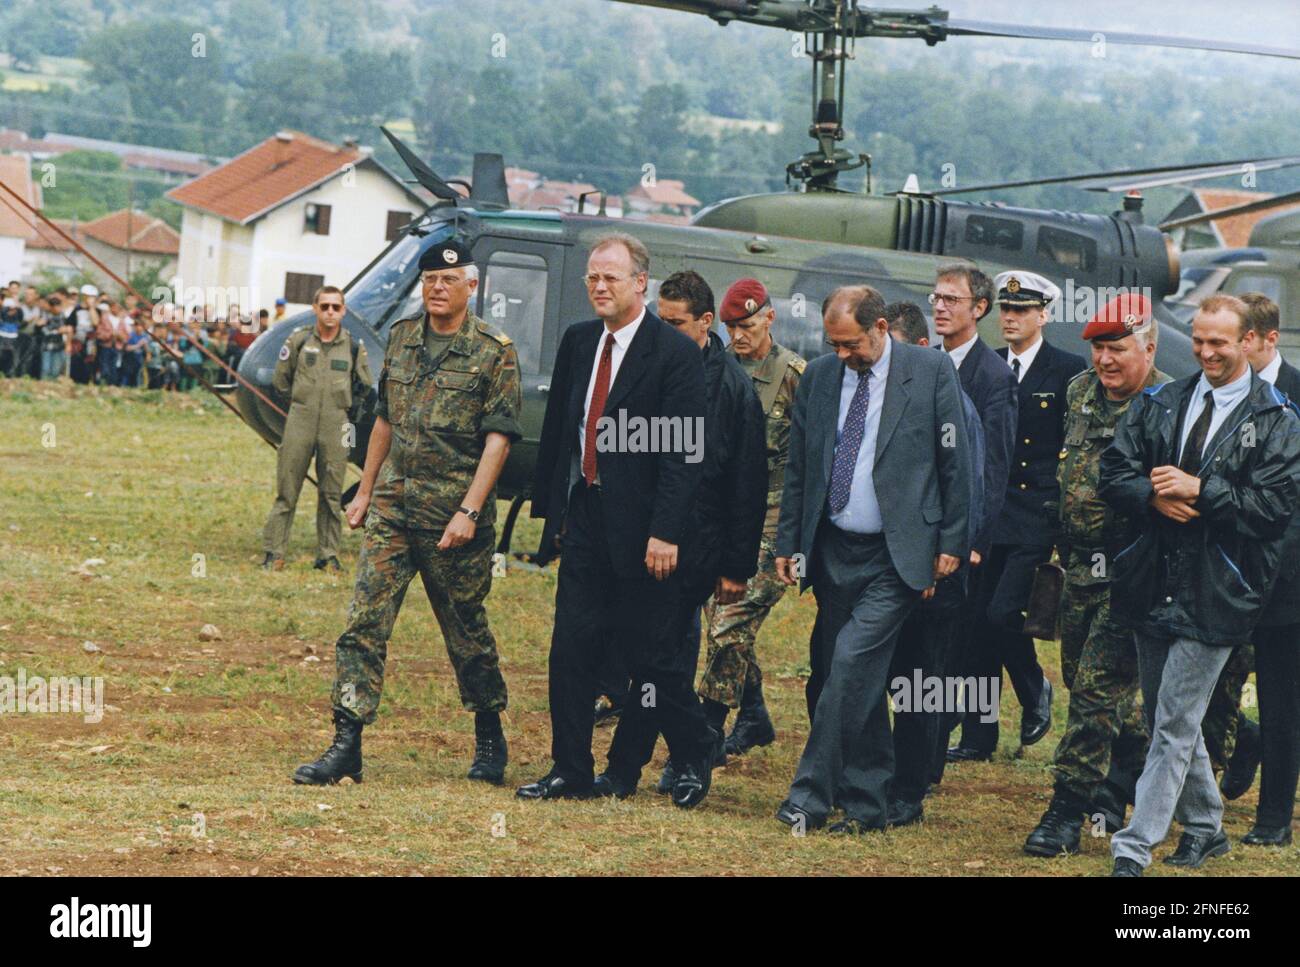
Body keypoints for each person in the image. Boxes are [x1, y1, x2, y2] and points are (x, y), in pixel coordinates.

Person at [294, 241, 520, 787]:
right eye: (428, 280)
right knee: (363, 625)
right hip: (394, 508)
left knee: (466, 632)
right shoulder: (401, 339)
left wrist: (468, 509)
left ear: (471, 286)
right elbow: (384, 422)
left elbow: (499, 441)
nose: (436, 288)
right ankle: (347, 742)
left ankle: (489, 735)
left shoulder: (494, 350)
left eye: (447, 280)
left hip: (453, 518)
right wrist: (366, 490)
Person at [1100, 294, 1300, 876]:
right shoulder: (1161, 400)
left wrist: (1200, 492)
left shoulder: (1278, 420)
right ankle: (1209, 828)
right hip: (1151, 582)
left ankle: (1134, 845)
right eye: (1199, 339)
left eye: (1220, 341)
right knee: (1172, 714)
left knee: (1172, 722)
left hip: (1221, 592)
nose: (1207, 351)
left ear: (1248, 342)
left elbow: (1271, 511)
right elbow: (1113, 473)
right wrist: (1154, 496)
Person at [518, 232, 716, 807]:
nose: (598, 286)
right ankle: (570, 768)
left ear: (640, 284)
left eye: (610, 277)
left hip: (647, 529)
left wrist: (666, 530)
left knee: (649, 654)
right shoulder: (580, 343)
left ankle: (694, 743)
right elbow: (562, 430)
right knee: (571, 647)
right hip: (586, 516)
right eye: (591, 278)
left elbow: (685, 453)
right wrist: (552, 512)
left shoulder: (674, 354)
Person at [773, 284, 970, 834]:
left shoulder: (930, 372)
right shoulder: (818, 377)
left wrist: (952, 543)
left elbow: (956, 464)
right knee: (850, 676)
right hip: (835, 550)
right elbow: (801, 468)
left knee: (849, 667)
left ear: (881, 328)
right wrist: (790, 541)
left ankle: (809, 796)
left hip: (896, 555)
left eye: (851, 344)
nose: (842, 355)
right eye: (833, 344)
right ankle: (866, 800)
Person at [597, 270, 767, 799]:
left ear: (706, 323)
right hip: (638, 540)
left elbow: (747, 486)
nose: (663, 331)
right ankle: (687, 748)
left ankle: (652, 763)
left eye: (675, 324)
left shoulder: (734, 389)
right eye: (659, 321)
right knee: (646, 657)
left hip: (695, 547)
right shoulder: (651, 364)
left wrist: (736, 568)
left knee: (660, 656)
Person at [1022, 293, 1169, 857]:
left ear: (1149, 347)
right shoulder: (1079, 392)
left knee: (1092, 695)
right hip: (1077, 569)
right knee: (1106, 697)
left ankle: (1064, 812)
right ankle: (1122, 785)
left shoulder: (1168, 404)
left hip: (1133, 574)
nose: (1105, 361)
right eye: (1098, 349)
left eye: (1118, 349)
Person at [950, 272, 1087, 758]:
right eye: (1006, 310)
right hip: (991, 511)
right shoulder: (987, 366)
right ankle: (979, 736)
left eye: (1022, 310)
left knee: (1001, 614)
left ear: (1043, 315)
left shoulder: (1067, 370)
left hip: (1036, 513)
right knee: (976, 624)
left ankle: (1034, 689)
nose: (1011, 318)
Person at [884, 299, 987, 827]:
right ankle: (883, 773)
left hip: (934, 571)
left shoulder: (953, 407)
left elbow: (968, 488)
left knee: (921, 682)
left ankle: (911, 787)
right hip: (890, 563)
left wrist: (944, 559)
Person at [694, 278, 805, 761]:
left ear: (770, 317)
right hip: (721, 523)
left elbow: (813, 459)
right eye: (731, 327)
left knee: (727, 627)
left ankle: (705, 737)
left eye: (748, 325)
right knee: (720, 620)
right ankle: (754, 712)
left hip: (771, 526)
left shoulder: (795, 376)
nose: (739, 335)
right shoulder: (715, 373)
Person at [928, 262, 1018, 767]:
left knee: (953, 648)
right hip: (924, 528)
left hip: (962, 540)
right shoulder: (925, 364)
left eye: (952, 300)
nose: (940, 307)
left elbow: (995, 469)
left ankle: (934, 753)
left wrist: (974, 541)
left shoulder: (993, 376)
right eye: (936, 297)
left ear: (979, 309)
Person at [1238, 291, 1300, 846]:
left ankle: (1274, 817)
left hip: (1287, 577)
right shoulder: (1225, 396)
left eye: (1242, 338)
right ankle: (1242, 739)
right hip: (1228, 570)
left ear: (1266, 339)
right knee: (1205, 686)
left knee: (1282, 698)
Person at [260, 286, 372, 572]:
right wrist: (302, 403)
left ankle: (327, 555)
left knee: (331, 493)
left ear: (344, 311)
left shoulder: (353, 346)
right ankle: (274, 553)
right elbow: (281, 380)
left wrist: (345, 410)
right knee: (287, 489)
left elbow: (364, 386)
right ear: (315, 309)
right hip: (300, 420)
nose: (331, 312)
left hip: (336, 424)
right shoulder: (298, 341)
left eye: (336, 307)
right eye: (325, 307)